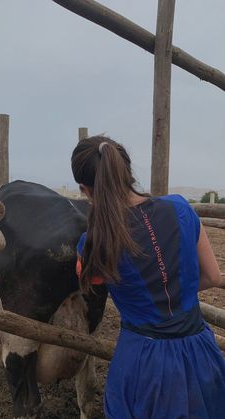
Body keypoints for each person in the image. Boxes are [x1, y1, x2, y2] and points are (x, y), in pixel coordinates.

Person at [71, 135, 225, 419]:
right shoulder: (181, 207)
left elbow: (91, 284)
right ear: (126, 172)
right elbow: (213, 276)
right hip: (200, 352)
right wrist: (181, 292)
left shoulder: (93, 242)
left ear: (85, 189)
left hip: (143, 363)